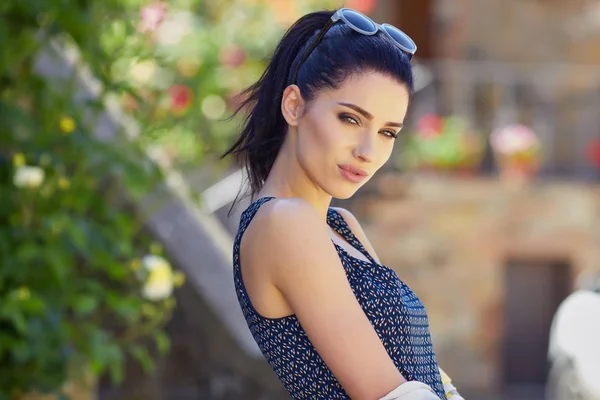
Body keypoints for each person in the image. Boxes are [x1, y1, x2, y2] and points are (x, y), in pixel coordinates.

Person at [223, 7, 464, 400]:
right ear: (294, 106)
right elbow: (387, 394)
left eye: (388, 132)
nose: (369, 151)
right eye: (351, 119)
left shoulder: (340, 225)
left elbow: (419, 371)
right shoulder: (284, 223)